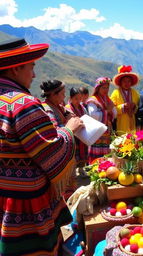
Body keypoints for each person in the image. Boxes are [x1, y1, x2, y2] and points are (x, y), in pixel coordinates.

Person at [0, 38, 84, 255]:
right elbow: (51, 152)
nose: (34, 75)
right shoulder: (22, 104)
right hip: (26, 205)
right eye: (31, 67)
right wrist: (70, 129)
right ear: (16, 68)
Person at [87, 77, 116, 163]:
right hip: (96, 132)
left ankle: (105, 168)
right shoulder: (93, 100)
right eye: (103, 87)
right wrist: (107, 111)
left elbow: (115, 113)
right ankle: (95, 169)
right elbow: (93, 115)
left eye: (107, 88)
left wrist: (111, 111)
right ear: (98, 88)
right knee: (96, 151)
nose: (106, 90)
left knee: (106, 152)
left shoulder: (107, 99)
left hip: (106, 131)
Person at [110, 65, 140, 135]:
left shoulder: (135, 93)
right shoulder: (115, 93)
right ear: (120, 82)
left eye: (129, 81)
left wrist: (134, 106)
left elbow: (138, 107)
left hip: (132, 124)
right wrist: (123, 106)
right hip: (121, 124)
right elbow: (112, 110)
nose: (127, 83)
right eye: (124, 81)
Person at [65, 88, 88, 173]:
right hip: (74, 135)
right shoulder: (67, 109)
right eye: (76, 99)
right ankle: (73, 172)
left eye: (80, 98)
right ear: (70, 98)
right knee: (74, 153)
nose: (78, 101)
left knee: (83, 151)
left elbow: (86, 117)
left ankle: (81, 170)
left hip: (82, 133)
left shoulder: (82, 108)